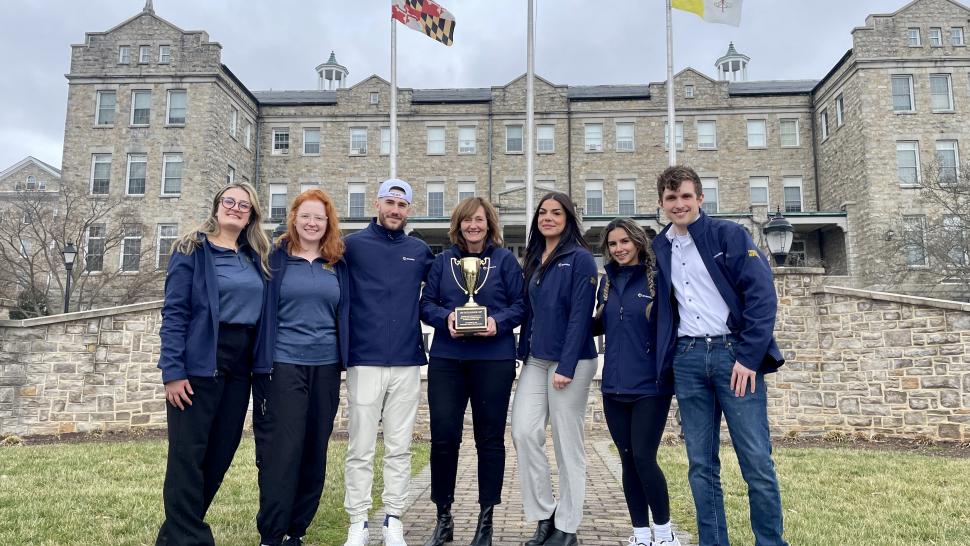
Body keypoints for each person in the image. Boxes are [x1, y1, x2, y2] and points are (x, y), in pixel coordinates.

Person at [652, 165, 788, 546]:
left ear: (700, 198)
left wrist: (748, 357)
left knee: (757, 462)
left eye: (685, 196)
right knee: (701, 465)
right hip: (688, 357)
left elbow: (762, 297)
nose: (679, 205)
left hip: (734, 357)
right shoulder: (660, 246)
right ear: (662, 203)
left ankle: (770, 542)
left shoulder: (729, 234)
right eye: (671, 198)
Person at [155, 183, 271, 546]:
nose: (235, 208)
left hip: (240, 366)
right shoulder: (191, 249)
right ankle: (191, 537)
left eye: (243, 205)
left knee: (221, 452)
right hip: (201, 359)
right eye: (229, 202)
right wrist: (172, 372)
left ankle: (177, 533)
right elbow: (175, 313)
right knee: (188, 455)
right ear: (217, 206)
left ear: (252, 215)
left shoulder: (255, 256)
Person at [419, 197, 525, 546]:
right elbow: (427, 304)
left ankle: (486, 520)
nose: (473, 226)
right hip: (448, 359)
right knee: (444, 438)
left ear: (489, 223)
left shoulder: (505, 260)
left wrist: (496, 323)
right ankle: (443, 517)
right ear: (458, 224)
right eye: (467, 220)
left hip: (493, 359)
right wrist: (446, 318)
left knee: (490, 440)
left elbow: (520, 305)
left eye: (479, 220)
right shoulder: (443, 261)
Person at [252, 189, 350, 546]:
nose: (312, 223)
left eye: (319, 218)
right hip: (283, 365)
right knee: (283, 450)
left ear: (328, 224)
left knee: (314, 449)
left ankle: (297, 530)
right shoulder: (272, 260)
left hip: (326, 368)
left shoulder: (337, 262)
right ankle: (272, 534)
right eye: (305, 216)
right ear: (293, 218)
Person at [342, 179, 434, 546]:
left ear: (409, 210)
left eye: (403, 204)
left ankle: (393, 517)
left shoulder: (421, 250)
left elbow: (444, 291)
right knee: (360, 446)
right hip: (364, 359)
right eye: (390, 202)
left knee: (399, 445)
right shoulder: (352, 246)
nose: (396, 210)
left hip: (408, 361)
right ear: (377, 204)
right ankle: (358, 521)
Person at [510, 192, 598, 546]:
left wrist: (567, 363)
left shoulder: (580, 259)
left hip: (571, 362)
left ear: (568, 218)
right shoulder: (534, 258)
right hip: (536, 359)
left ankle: (568, 526)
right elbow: (529, 311)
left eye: (556, 212)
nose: (548, 217)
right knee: (524, 432)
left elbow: (580, 314)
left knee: (566, 444)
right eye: (542, 212)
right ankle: (545, 515)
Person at [594, 218, 680, 546]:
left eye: (624, 242)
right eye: (613, 244)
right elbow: (599, 325)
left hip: (650, 386)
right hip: (613, 387)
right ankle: (641, 534)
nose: (619, 249)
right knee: (627, 459)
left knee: (644, 457)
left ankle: (664, 532)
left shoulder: (657, 280)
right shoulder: (606, 283)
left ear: (638, 242)